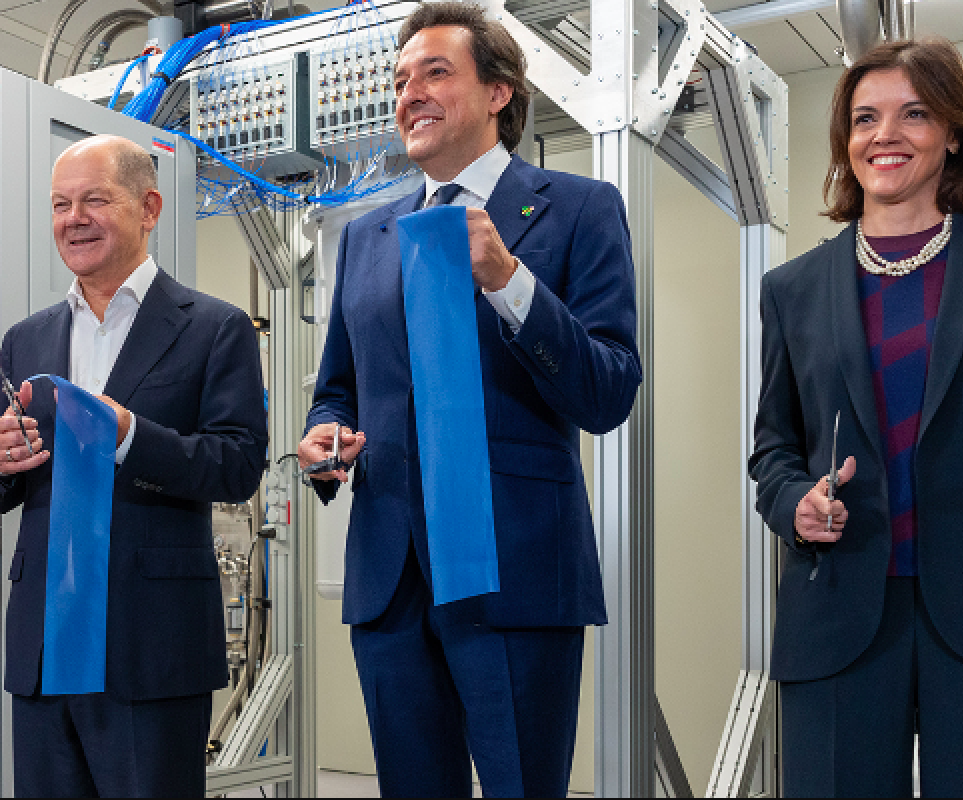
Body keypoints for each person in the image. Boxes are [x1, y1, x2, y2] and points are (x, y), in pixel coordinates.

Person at [301, 3, 641, 796]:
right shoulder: (367, 236)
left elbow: (609, 388)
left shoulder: (579, 208)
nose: (409, 92)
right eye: (399, 80)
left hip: (515, 570)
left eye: (435, 72)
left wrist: (509, 281)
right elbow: (338, 389)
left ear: (499, 93)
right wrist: (327, 436)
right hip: (391, 575)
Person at [751, 37, 963, 797]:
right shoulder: (792, 289)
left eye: (913, 113)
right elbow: (773, 450)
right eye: (865, 119)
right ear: (846, 141)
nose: (883, 135)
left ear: (954, 132)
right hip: (838, 613)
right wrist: (797, 504)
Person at [0, 134, 267, 797]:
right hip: (47, 645)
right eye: (59, 204)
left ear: (149, 207)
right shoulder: (26, 338)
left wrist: (130, 436)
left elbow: (238, 464)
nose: (73, 219)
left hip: (152, 644)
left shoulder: (216, 328)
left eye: (94, 200)